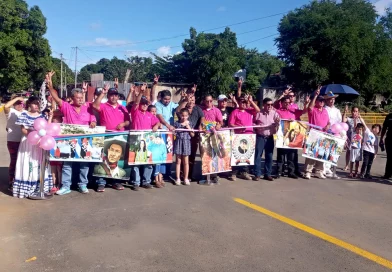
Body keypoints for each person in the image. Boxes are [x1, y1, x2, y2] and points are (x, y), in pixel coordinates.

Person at [46, 71, 97, 195]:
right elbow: (56, 98)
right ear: (72, 98)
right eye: (78, 98)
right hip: (69, 140)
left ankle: (83, 185)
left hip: (85, 140)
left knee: (84, 164)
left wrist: (94, 122)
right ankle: (66, 186)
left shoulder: (88, 108)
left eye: (81, 98)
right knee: (67, 164)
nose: (80, 100)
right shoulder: (66, 107)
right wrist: (50, 86)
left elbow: (93, 118)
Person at [13, 96, 53, 198]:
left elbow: (46, 129)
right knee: (28, 163)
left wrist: (51, 117)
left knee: (38, 164)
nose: (36, 105)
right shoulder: (24, 114)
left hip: (39, 144)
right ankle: (27, 188)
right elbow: (23, 130)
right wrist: (33, 133)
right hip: (27, 143)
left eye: (38, 103)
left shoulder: (41, 116)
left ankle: (39, 188)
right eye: (34, 103)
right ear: (29, 104)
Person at [130, 83, 161, 190]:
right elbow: (137, 102)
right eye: (142, 103)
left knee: (148, 162)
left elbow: (158, 123)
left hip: (148, 141)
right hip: (136, 140)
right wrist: (141, 93)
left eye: (146, 104)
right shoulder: (135, 111)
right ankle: (136, 182)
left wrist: (156, 125)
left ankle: (146, 181)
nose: (144, 105)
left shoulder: (149, 114)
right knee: (136, 162)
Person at [228, 94, 260, 180]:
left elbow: (258, 110)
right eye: (242, 102)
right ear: (238, 102)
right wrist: (238, 128)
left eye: (245, 102)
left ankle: (244, 172)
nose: (244, 104)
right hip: (238, 136)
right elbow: (230, 124)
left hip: (249, 136)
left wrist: (251, 101)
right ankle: (234, 173)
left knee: (246, 155)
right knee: (237, 154)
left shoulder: (249, 110)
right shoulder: (235, 112)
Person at [275, 96, 307, 179]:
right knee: (281, 156)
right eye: (285, 102)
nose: (287, 104)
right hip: (282, 136)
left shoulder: (294, 111)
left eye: (288, 103)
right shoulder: (278, 111)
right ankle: (279, 171)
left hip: (293, 137)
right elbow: (275, 120)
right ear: (282, 103)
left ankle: (291, 172)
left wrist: (306, 103)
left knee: (292, 155)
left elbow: (304, 111)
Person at [175, 86, 204, 180]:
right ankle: (180, 176)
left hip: (193, 136)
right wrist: (185, 100)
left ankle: (188, 176)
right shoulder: (184, 109)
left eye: (193, 99)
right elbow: (178, 111)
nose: (191, 101)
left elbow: (202, 117)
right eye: (190, 99)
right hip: (182, 137)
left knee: (191, 157)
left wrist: (201, 124)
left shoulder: (198, 109)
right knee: (180, 158)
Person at [303, 87, 330, 179]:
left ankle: (319, 171)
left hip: (323, 134)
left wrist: (328, 126)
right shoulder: (313, 109)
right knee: (311, 154)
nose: (321, 102)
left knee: (321, 153)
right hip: (314, 133)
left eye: (323, 101)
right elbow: (310, 107)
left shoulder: (325, 111)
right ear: (317, 101)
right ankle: (308, 171)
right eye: (320, 100)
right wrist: (315, 95)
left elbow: (328, 122)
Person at [253, 98, 280, 181]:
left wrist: (278, 123)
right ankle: (257, 174)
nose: (270, 106)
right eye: (268, 104)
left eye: (271, 105)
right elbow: (253, 122)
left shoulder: (275, 113)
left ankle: (267, 174)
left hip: (270, 138)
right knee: (258, 156)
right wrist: (255, 126)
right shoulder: (259, 114)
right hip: (260, 137)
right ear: (264, 105)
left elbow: (280, 123)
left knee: (269, 156)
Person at [156, 89, 179, 179]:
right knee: (161, 153)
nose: (167, 101)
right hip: (162, 132)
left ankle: (167, 173)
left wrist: (185, 100)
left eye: (169, 99)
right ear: (161, 98)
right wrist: (168, 125)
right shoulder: (158, 105)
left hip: (170, 133)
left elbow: (179, 108)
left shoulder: (172, 104)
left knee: (170, 153)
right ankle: (160, 173)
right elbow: (160, 117)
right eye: (165, 99)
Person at [4, 96, 25, 191]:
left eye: (21, 103)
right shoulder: (11, 112)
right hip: (13, 140)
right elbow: (6, 106)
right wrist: (17, 98)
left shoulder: (25, 113)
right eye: (17, 103)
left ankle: (20, 180)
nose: (20, 105)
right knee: (14, 161)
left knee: (22, 162)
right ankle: (11, 181)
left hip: (24, 140)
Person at [173, 108, 195, 185]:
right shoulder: (176, 123)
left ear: (188, 116)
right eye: (182, 116)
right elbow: (174, 132)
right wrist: (181, 126)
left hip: (186, 142)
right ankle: (178, 178)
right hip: (178, 142)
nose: (184, 117)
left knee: (186, 162)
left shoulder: (190, 123)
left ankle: (186, 178)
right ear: (180, 115)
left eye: (185, 116)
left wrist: (188, 127)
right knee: (178, 161)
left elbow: (192, 135)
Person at [324, 91, 341, 179]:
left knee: (333, 151)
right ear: (326, 100)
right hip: (327, 131)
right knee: (326, 150)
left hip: (336, 132)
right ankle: (325, 169)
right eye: (330, 99)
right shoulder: (324, 109)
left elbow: (340, 122)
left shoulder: (337, 110)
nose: (332, 101)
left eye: (333, 99)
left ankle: (330, 168)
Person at [148, 104, 165, 187]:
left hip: (158, 143)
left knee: (159, 162)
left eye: (155, 111)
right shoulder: (148, 118)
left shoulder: (157, 119)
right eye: (152, 111)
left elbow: (160, 127)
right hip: (151, 143)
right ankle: (155, 179)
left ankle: (160, 178)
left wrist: (158, 125)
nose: (154, 113)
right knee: (153, 161)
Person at [343, 105, 361, 171]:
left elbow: (358, 128)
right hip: (349, 137)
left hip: (356, 139)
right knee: (348, 152)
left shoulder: (360, 120)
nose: (354, 113)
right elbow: (343, 120)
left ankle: (357, 166)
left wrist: (357, 119)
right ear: (351, 112)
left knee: (357, 152)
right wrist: (345, 111)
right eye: (353, 111)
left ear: (358, 112)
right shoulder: (349, 118)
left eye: (356, 111)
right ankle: (347, 165)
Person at [49, 114, 63, 193]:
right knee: (53, 168)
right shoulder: (50, 127)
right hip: (52, 150)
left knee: (59, 168)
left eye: (58, 119)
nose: (56, 121)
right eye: (54, 119)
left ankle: (60, 184)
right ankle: (54, 184)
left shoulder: (63, 127)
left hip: (60, 151)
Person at [380, 112, 392, 180]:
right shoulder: (389, 116)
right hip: (389, 140)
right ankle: (387, 174)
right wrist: (381, 138)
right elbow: (384, 128)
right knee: (389, 157)